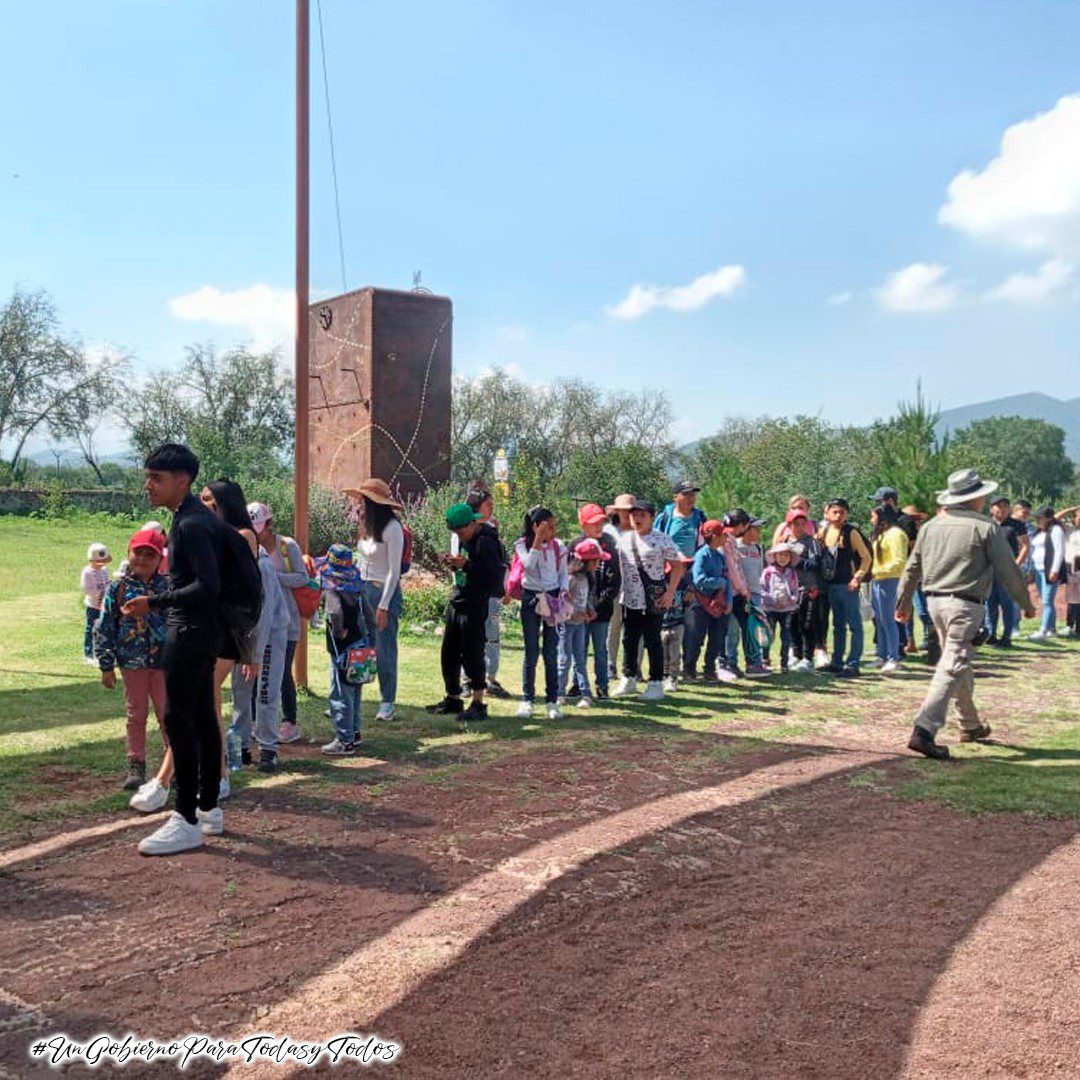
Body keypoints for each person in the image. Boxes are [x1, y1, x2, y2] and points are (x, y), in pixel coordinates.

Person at [125, 444, 230, 856]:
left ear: (182, 481)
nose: (148, 485)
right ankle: (207, 809)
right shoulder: (191, 519)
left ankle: (185, 817)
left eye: (157, 478)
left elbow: (207, 586)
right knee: (202, 716)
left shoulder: (190, 524)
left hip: (190, 633)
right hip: (199, 632)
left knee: (177, 718)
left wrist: (154, 602)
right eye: (148, 475)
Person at [898, 469, 1035, 759]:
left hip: (934, 602)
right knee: (952, 663)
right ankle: (924, 729)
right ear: (975, 498)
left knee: (958, 661)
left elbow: (912, 567)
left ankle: (970, 725)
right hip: (965, 604)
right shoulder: (985, 527)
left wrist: (903, 602)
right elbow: (1008, 570)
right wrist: (1025, 603)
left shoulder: (931, 526)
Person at [94, 528, 169, 792]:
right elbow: (105, 627)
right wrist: (106, 664)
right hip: (131, 663)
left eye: (151, 555)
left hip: (164, 664)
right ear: (129, 553)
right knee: (136, 714)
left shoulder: (168, 588)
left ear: (160, 559)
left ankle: (173, 764)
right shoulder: (119, 588)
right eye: (139, 553)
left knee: (167, 714)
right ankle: (136, 764)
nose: (143, 560)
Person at [201, 479, 259, 798]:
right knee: (209, 699)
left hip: (229, 628)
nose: (205, 504)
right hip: (207, 625)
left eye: (211, 499)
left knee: (210, 697)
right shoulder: (211, 533)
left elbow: (242, 587)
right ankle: (212, 768)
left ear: (225, 502)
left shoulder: (243, 535)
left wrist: (249, 647)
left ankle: (220, 773)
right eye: (202, 500)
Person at [227, 501, 292, 772]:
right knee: (240, 691)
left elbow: (264, 618)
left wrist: (253, 655)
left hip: (269, 636)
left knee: (266, 690)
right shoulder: (233, 564)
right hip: (241, 636)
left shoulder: (263, 568)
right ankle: (240, 747)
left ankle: (267, 748)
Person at [427, 503, 507, 722]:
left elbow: (491, 577)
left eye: (461, 531)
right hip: (458, 598)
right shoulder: (466, 539)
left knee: (473, 652)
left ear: (472, 523)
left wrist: (466, 565)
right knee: (449, 651)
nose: (459, 536)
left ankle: (478, 702)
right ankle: (453, 697)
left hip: (475, 602)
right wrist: (455, 565)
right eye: (455, 532)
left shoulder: (486, 542)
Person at [344, 478, 406, 721]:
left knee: (384, 648)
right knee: (359, 647)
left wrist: (384, 605)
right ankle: (352, 698)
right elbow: (362, 560)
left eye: (362, 501)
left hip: (383, 591)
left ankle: (387, 701)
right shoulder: (365, 526)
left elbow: (394, 570)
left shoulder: (392, 528)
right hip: (363, 589)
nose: (358, 505)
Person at [613, 499, 685, 701]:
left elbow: (677, 566)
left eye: (642, 515)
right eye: (634, 514)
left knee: (653, 641)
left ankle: (655, 682)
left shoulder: (662, 539)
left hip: (653, 599)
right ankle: (629, 677)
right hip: (629, 599)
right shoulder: (624, 540)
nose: (637, 518)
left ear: (652, 518)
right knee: (629, 640)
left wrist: (670, 592)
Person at [247, 502, 307, 742]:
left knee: (281, 673)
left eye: (259, 526)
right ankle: (252, 720)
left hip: (287, 621)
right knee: (251, 670)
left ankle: (289, 722)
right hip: (259, 620)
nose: (256, 531)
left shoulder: (286, 546)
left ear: (269, 524)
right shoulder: (249, 545)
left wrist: (271, 577)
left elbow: (302, 577)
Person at [514, 506, 570, 719]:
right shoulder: (521, 545)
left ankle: (552, 701)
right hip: (531, 598)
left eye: (554, 527)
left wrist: (564, 591)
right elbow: (528, 565)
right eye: (549, 527)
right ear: (537, 526)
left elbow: (563, 573)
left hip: (552, 598)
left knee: (550, 650)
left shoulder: (559, 547)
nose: (553, 532)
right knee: (531, 651)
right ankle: (527, 699)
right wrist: (537, 540)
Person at [319, 544, 371, 753]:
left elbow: (333, 612)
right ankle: (355, 732)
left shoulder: (332, 587)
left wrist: (338, 630)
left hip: (342, 647)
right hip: (360, 641)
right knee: (355, 689)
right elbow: (368, 613)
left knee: (340, 692)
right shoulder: (357, 587)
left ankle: (344, 739)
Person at [460, 483, 510, 698]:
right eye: (489, 504)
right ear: (477, 506)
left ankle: (490, 678)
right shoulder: (464, 529)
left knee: (493, 635)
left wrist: (504, 586)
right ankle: (466, 680)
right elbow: (460, 561)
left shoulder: (492, 530)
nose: (492, 507)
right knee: (471, 637)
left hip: (493, 594)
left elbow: (500, 561)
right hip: (473, 592)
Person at [567, 503, 621, 699]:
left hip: (602, 610)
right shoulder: (574, 546)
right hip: (578, 612)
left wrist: (597, 607)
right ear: (583, 525)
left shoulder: (610, 546)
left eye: (601, 522)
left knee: (600, 649)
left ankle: (602, 685)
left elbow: (614, 580)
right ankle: (577, 685)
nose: (599, 526)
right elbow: (567, 579)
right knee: (578, 650)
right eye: (594, 523)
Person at [818, 498, 872, 677]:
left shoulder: (852, 532)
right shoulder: (824, 531)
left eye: (842, 512)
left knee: (854, 625)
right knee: (838, 625)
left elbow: (866, 557)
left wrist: (857, 578)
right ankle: (837, 661)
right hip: (831, 585)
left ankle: (853, 663)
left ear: (846, 514)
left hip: (848, 585)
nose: (838, 515)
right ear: (827, 513)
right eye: (835, 511)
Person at [557, 537, 610, 707]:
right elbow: (564, 601)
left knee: (580, 658)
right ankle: (559, 693)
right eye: (597, 561)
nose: (599, 564)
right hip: (567, 625)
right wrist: (579, 612)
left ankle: (586, 693)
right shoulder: (571, 578)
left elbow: (584, 599)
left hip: (580, 624)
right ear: (587, 561)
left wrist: (589, 608)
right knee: (564, 659)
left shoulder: (587, 578)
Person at [683, 520, 735, 682]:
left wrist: (728, 600)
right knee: (695, 638)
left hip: (717, 604)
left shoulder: (720, 556)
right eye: (723, 534)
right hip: (700, 602)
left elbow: (726, 578)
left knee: (716, 637)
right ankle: (689, 670)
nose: (726, 537)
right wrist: (718, 582)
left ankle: (709, 670)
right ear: (714, 536)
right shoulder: (702, 554)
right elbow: (698, 579)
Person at [869, 503, 909, 673]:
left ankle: (894, 657)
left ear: (882, 517)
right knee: (879, 619)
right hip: (878, 580)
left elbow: (899, 561)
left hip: (891, 580)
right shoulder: (881, 534)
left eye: (873, 516)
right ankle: (882, 655)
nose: (871, 520)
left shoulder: (896, 534)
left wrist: (877, 571)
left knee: (889, 619)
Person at [985, 495, 1029, 647]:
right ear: (991, 508)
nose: (1002, 509)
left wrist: (1016, 565)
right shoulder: (986, 523)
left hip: (1008, 571)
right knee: (990, 603)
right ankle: (990, 634)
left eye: (1005, 506)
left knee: (1007, 604)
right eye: (998, 506)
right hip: (989, 570)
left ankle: (1007, 636)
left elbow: (1025, 546)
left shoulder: (1016, 524)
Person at [786, 509, 827, 671]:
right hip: (790, 590)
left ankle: (808, 658)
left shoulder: (811, 542)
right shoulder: (786, 542)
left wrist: (799, 562)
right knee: (792, 624)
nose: (800, 527)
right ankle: (795, 654)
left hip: (809, 589)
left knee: (807, 624)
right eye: (796, 524)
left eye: (804, 524)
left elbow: (816, 563)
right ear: (789, 525)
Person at [604, 494, 636, 684]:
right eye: (624, 510)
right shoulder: (608, 531)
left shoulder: (641, 530)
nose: (628, 514)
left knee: (633, 628)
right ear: (617, 512)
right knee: (613, 626)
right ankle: (610, 664)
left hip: (635, 585)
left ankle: (633, 666)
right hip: (615, 584)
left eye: (631, 510)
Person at [731, 516, 768, 676]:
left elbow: (759, 572)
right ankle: (730, 662)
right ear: (746, 529)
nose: (759, 533)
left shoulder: (758, 549)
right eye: (756, 529)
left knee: (754, 630)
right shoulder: (734, 546)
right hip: (737, 594)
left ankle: (754, 662)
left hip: (755, 594)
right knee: (733, 630)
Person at [718, 509, 752, 677]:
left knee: (734, 630)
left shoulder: (730, 540)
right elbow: (732, 568)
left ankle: (732, 662)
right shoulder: (726, 541)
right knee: (729, 630)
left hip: (735, 591)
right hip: (729, 592)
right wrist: (743, 590)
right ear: (741, 525)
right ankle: (724, 664)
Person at [1028, 506, 1067, 641]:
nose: (1037, 520)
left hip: (1049, 570)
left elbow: (1059, 551)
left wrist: (1054, 570)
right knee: (1045, 600)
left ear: (1049, 518)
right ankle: (1052, 629)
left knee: (1047, 601)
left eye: (1040, 517)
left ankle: (1043, 630)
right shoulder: (1040, 531)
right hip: (1039, 569)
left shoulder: (1056, 530)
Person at [761, 543, 800, 672]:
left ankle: (784, 662)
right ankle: (765, 660)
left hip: (787, 610)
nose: (783, 558)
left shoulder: (792, 573)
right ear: (774, 556)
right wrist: (773, 600)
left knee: (786, 636)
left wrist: (791, 600)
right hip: (770, 609)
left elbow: (795, 591)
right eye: (780, 555)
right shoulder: (767, 572)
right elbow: (761, 590)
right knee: (768, 635)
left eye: (786, 555)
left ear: (790, 558)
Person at [660, 556, 691, 692]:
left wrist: (689, 597)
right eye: (681, 566)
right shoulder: (662, 583)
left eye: (685, 567)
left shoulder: (685, 584)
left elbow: (687, 602)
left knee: (674, 652)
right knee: (663, 652)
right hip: (662, 623)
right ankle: (664, 676)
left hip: (678, 622)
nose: (683, 569)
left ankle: (673, 678)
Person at [80, 543, 112, 662]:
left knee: (103, 629)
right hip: (93, 605)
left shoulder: (104, 570)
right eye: (99, 562)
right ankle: (88, 654)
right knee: (91, 629)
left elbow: (107, 583)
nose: (102, 564)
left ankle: (102, 652)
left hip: (104, 605)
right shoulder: (87, 572)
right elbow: (87, 588)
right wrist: (99, 592)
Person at [1058, 506, 1080, 636]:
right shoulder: (1069, 529)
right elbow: (1054, 518)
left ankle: (1078, 628)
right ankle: (1069, 625)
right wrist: (1071, 509)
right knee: (1071, 597)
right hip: (1071, 565)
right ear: (1074, 518)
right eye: (1078, 516)